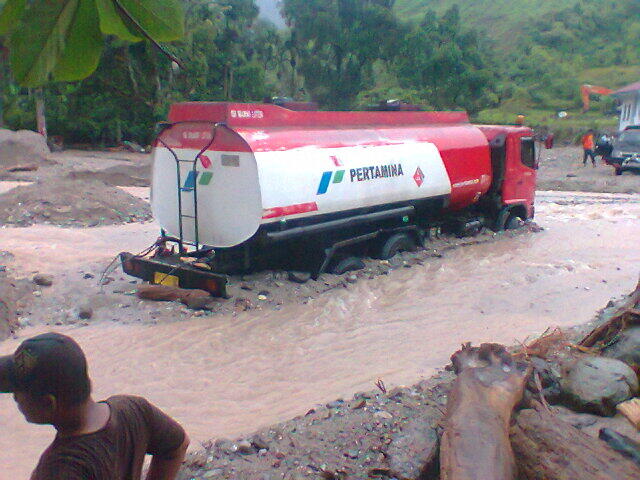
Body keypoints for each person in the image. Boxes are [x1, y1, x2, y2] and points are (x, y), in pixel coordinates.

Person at [0, 332, 189, 480]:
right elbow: (176, 446)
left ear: (48, 403)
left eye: (18, 392)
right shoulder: (133, 409)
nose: (15, 397)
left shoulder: (60, 469)